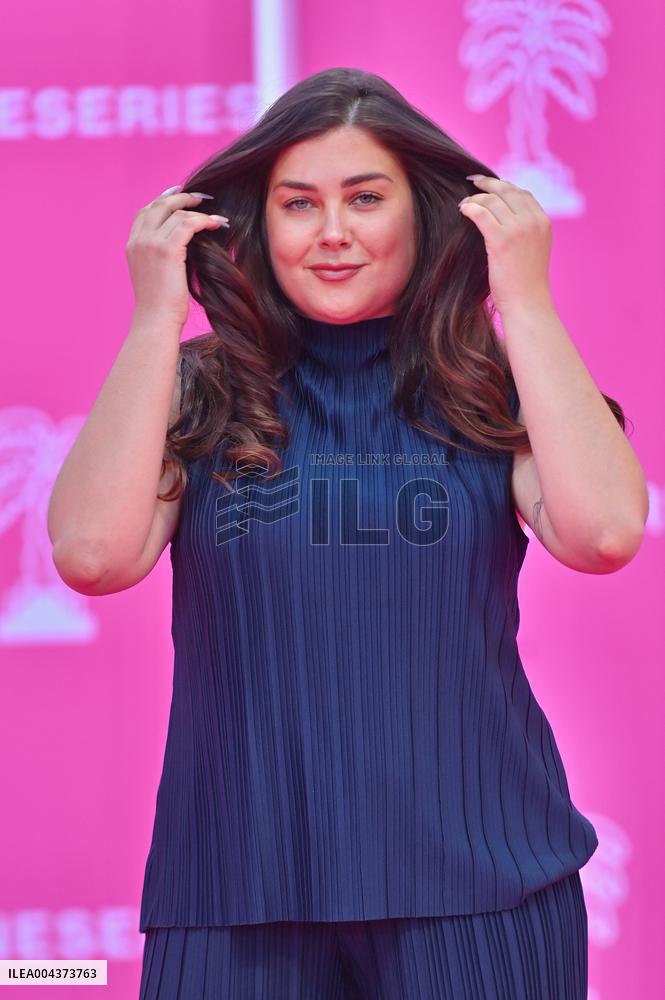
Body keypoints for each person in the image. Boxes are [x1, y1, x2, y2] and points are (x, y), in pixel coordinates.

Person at [48, 68, 647, 999]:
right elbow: (92, 557)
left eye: (365, 198)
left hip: (482, 887)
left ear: (422, 214)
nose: (331, 231)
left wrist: (523, 299)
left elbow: (603, 534)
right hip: (233, 889)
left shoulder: (485, 384)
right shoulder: (201, 386)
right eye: (299, 204)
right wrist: (156, 317)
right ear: (259, 224)